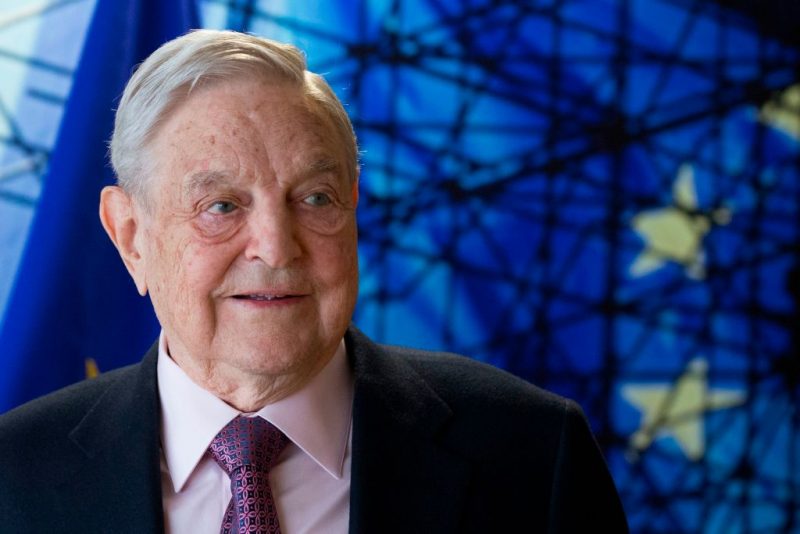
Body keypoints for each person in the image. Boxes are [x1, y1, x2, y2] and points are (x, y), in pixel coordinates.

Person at [0, 30, 628, 533]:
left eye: (315, 198)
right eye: (222, 206)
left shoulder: (534, 455)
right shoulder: (16, 476)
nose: (276, 247)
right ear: (131, 236)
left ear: (353, 208)